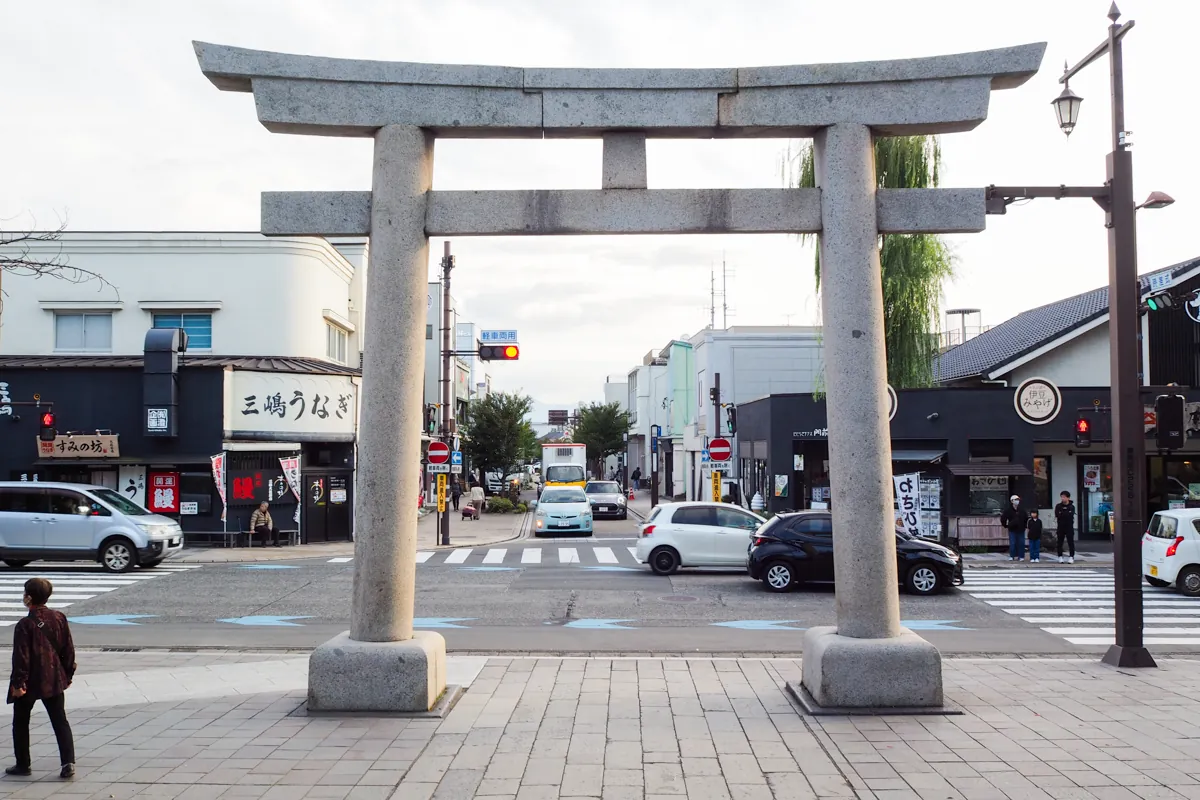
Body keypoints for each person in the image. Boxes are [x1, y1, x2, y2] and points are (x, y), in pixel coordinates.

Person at [8, 578, 75, 779]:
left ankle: (23, 764)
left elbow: (21, 657)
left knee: (20, 721)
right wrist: (68, 674)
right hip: (53, 678)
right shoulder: (59, 618)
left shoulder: (25, 625)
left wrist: (18, 684)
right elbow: (68, 649)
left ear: (29, 597)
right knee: (59, 720)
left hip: (30, 681)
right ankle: (68, 763)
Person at [999, 495, 1029, 562]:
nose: (1017, 501)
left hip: (1021, 529)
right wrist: (1006, 525)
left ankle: (1021, 556)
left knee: (1021, 543)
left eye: (1018, 500)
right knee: (1012, 543)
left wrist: (1024, 526)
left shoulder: (1022, 510)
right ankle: (1012, 556)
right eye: (1016, 500)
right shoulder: (1008, 510)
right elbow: (1003, 518)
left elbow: (1026, 518)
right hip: (1012, 529)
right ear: (1012, 501)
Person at [1054, 490, 1077, 564]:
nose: (1062, 498)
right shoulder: (1058, 506)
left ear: (1068, 498)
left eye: (1064, 497)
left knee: (1070, 542)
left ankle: (1071, 557)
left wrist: (1063, 513)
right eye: (1061, 497)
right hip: (1060, 526)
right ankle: (1060, 556)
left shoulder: (1072, 506)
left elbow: (1070, 515)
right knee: (1060, 542)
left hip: (1069, 526)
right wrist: (1064, 514)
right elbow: (1058, 515)